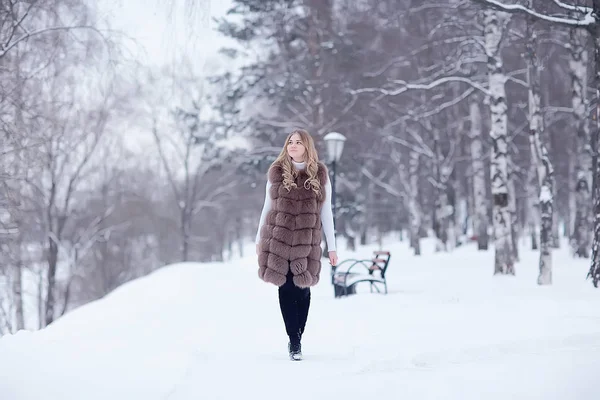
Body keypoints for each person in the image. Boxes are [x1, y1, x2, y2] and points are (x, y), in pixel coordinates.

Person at [255, 128, 337, 361]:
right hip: (278, 239)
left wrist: (332, 247)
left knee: (303, 290)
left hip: (306, 242)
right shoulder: (277, 172)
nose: (292, 146)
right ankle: (294, 340)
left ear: (306, 146)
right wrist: (259, 239)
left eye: (298, 142)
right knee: (286, 287)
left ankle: (298, 332)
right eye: (290, 142)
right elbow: (267, 207)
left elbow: (326, 212)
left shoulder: (319, 174)